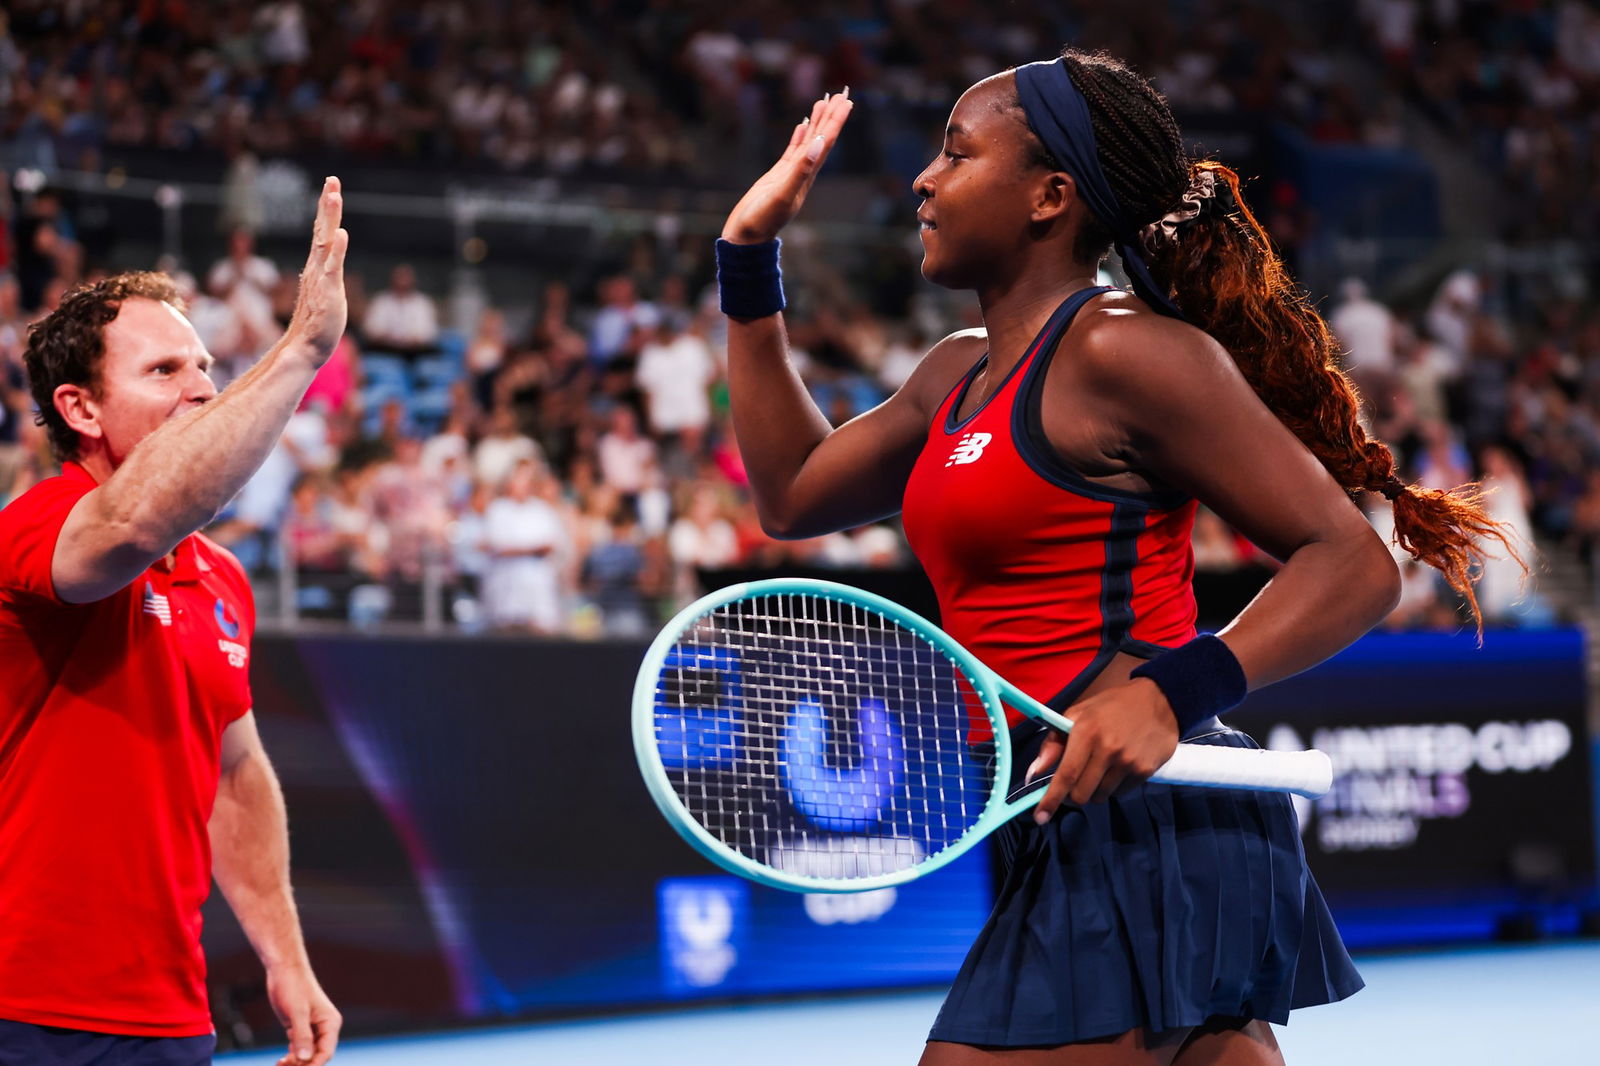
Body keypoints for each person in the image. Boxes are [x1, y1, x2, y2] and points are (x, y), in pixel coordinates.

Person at [717, 55, 1518, 1065]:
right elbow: (791, 492)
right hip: (1052, 819)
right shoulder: (951, 374)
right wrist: (747, 257)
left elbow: (1351, 563)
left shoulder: (1126, 353)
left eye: (957, 154)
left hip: (1151, 816)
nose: (923, 178)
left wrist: (1169, 693)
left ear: (1050, 196)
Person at [0, 178, 351, 1066]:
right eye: (164, 371)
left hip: (170, 1015)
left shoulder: (223, 579)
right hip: (22, 1008)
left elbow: (236, 778)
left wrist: (286, 957)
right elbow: (128, 524)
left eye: (205, 367)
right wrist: (301, 349)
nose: (202, 389)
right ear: (79, 409)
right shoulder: (36, 527)